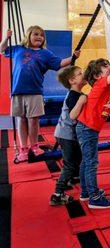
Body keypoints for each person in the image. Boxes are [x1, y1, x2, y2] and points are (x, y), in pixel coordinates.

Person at [0, 27, 80, 163]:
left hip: (35, 91)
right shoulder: (19, 49)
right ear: (28, 35)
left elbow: (59, 63)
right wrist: (6, 38)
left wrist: (73, 57)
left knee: (33, 120)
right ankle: (23, 149)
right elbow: (2, 50)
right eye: (36, 34)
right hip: (18, 91)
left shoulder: (45, 53)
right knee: (21, 119)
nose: (39, 37)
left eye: (41, 35)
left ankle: (34, 145)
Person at [76, 57, 110, 209]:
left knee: (86, 161)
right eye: (105, 66)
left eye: (109, 65)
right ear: (97, 75)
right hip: (87, 128)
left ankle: (86, 192)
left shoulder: (108, 84)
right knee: (91, 163)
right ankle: (94, 197)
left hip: (88, 128)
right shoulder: (101, 84)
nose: (109, 67)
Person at [50, 65, 86, 206]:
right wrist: (83, 100)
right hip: (66, 135)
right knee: (69, 164)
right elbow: (73, 115)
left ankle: (73, 177)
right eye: (80, 73)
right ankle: (57, 194)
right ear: (72, 80)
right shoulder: (74, 96)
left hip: (67, 134)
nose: (83, 75)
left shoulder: (76, 94)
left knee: (78, 157)